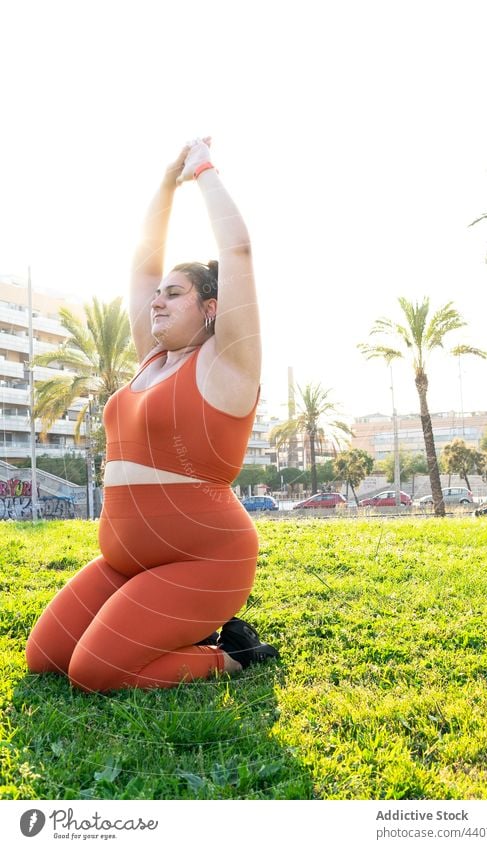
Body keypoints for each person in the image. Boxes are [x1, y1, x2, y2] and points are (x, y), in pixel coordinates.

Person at [25, 138, 278, 692]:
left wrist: (203, 169)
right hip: (126, 561)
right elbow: (141, 270)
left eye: (175, 294)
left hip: (203, 561)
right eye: (158, 295)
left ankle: (233, 652)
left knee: (93, 672)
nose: (156, 301)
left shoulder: (227, 365)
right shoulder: (154, 358)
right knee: (43, 659)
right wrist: (166, 184)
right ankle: (171, 627)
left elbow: (237, 251)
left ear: (211, 308)